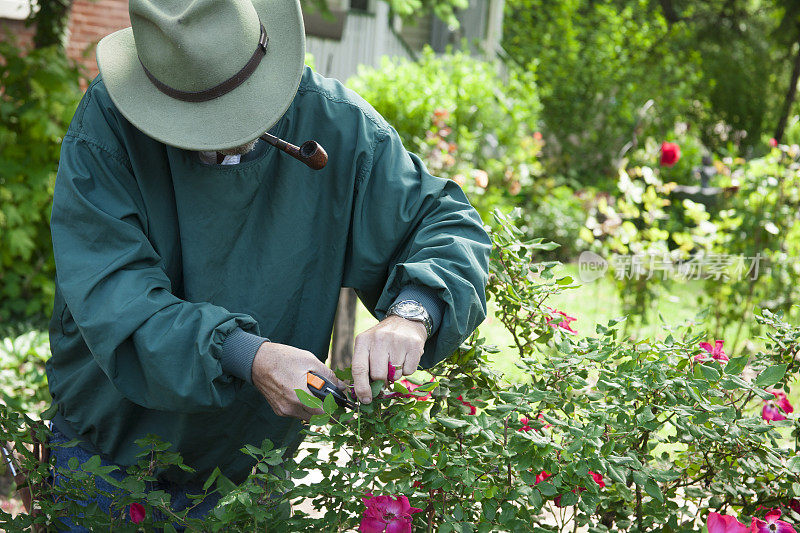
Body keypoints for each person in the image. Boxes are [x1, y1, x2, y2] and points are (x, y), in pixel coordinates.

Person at [45, 0, 490, 525]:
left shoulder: (337, 123)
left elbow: (446, 225)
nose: (222, 133)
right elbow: (117, 298)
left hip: (251, 474)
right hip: (107, 465)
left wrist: (412, 314)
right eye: (197, 121)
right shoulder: (107, 127)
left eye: (238, 108)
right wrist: (247, 355)